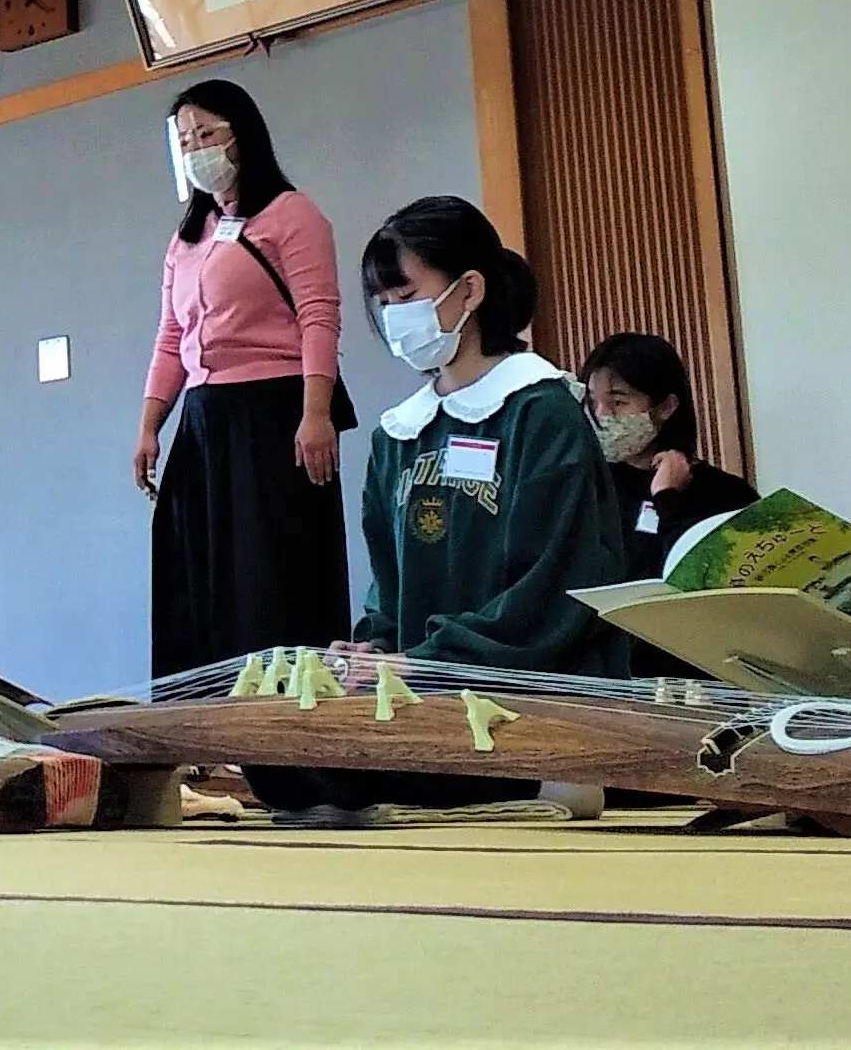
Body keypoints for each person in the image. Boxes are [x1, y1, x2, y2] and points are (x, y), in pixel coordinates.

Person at [247, 197, 625, 817]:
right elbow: (387, 589)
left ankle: (542, 777)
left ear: (470, 289)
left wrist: (425, 662)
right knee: (272, 750)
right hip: (425, 684)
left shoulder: (541, 412)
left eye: (406, 295)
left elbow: (557, 586)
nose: (394, 316)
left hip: (519, 686)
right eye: (384, 302)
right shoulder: (398, 434)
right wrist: (374, 649)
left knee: (318, 766)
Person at [134, 80, 350, 678]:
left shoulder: (293, 213)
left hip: (274, 412)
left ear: (242, 133)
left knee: (270, 571)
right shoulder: (188, 237)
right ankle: (202, 711)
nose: (196, 148)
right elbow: (171, 336)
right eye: (185, 140)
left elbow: (318, 315)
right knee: (194, 571)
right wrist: (150, 426)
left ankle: (280, 708)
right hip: (203, 419)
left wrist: (316, 413)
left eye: (207, 132)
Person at [581, 332, 757, 584]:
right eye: (592, 401)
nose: (601, 415)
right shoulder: (586, 487)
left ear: (666, 407)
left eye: (618, 402)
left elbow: (703, 575)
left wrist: (667, 498)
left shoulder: (726, 494)